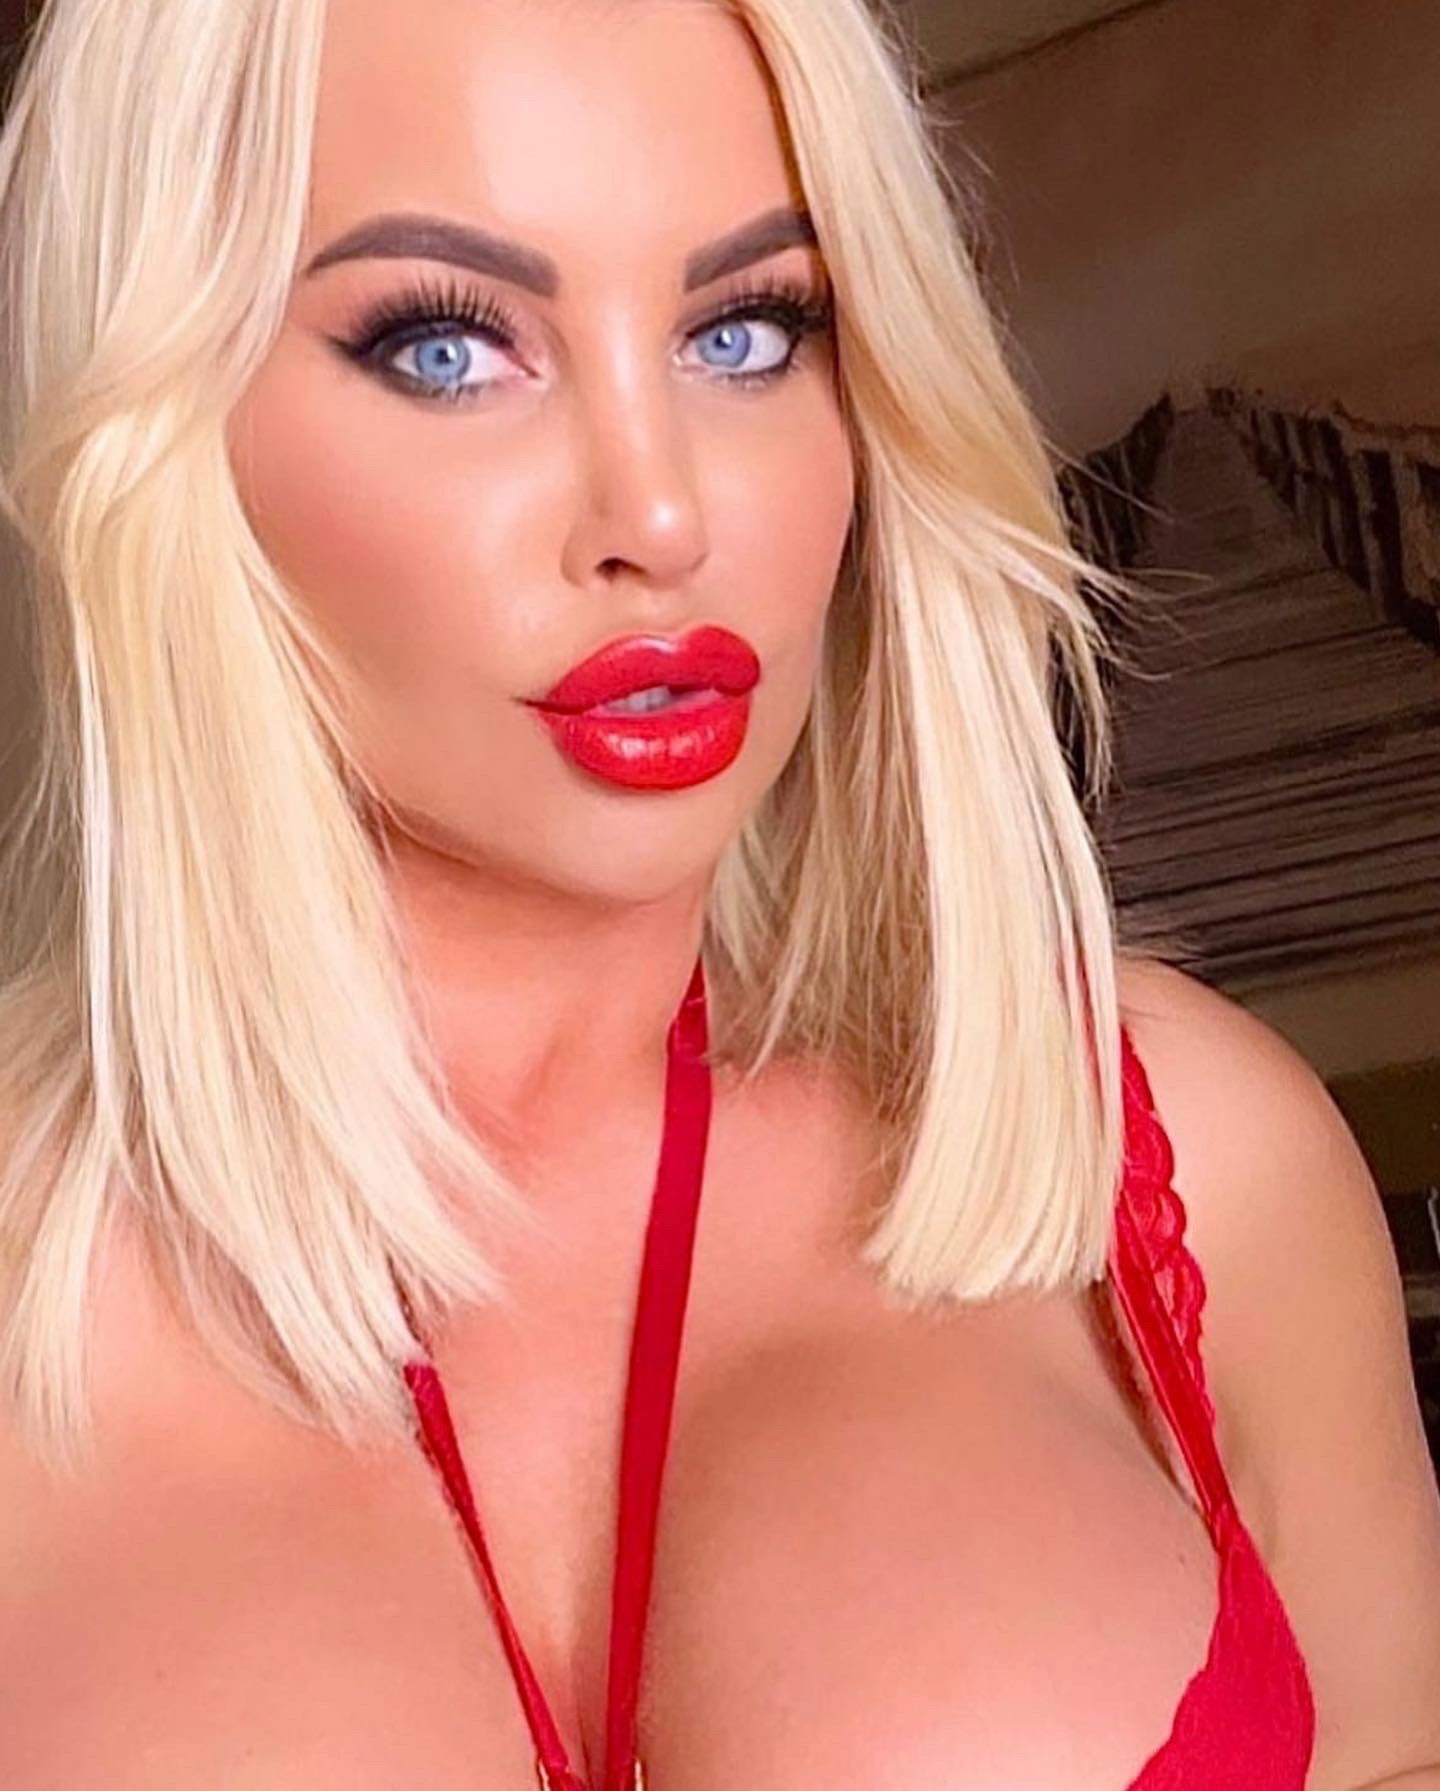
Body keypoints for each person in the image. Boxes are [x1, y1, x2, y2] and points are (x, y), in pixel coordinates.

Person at [0, 0, 1437, 1786]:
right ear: (160, 426)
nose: (662, 514)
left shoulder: (1190, 1156)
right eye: (448, 347)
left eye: (748, 330)